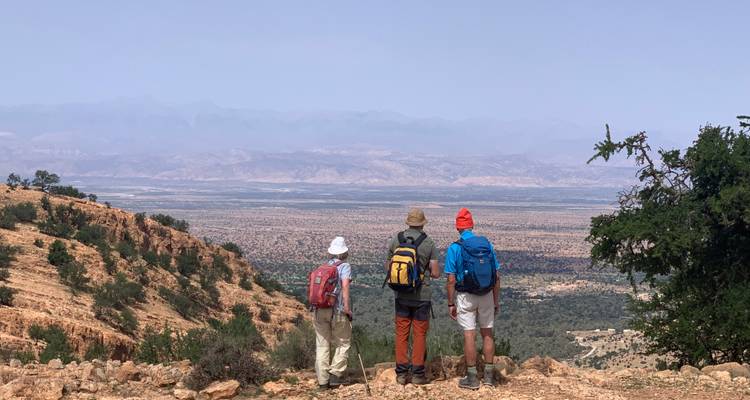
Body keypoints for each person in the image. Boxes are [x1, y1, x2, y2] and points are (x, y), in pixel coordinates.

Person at [445, 208, 502, 390]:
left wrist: (450, 303)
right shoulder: (486, 245)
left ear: (457, 227)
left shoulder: (455, 248)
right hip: (486, 294)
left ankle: (471, 378)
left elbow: (451, 279)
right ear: (472, 225)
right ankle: (489, 376)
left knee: (469, 334)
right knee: (487, 333)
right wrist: (496, 301)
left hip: (465, 296)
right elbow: (496, 275)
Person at [385, 208, 440, 385]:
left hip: (401, 294)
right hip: (422, 296)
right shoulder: (428, 243)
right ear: (423, 223)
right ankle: (417, 374)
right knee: (419, 334)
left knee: (401, 333)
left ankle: (401, 374)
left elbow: (388, 268)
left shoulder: (397, 239)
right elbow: (436, 273)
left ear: (408, 222)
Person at [312, 236, 353, 390]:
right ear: (344, 253)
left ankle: (323, 382)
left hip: (319, 310)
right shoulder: (344, 266)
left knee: (322, 345)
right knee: (343, 342)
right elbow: (345, 287)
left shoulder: (322, 267)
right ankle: (335, 375)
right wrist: (347, 308)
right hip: (337, 311)